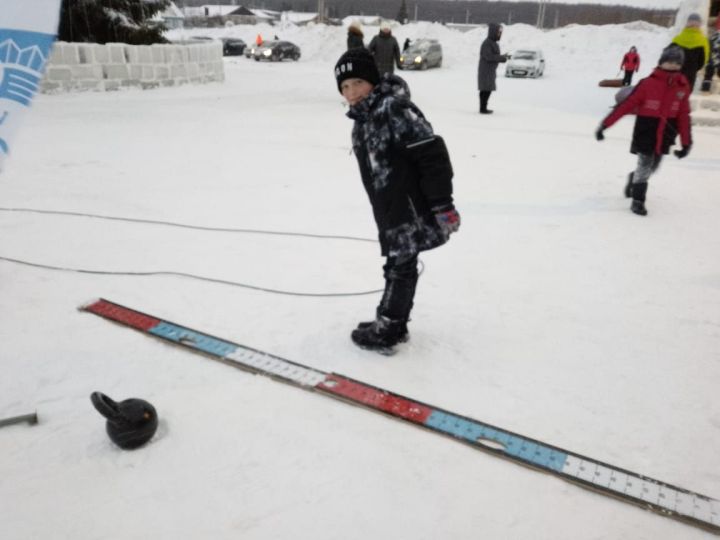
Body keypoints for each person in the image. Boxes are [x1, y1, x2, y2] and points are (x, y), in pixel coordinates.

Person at [333, 48, 460, 352]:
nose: (352, 93)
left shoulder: (393, 109)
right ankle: (394, 322)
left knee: (400, 266)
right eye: (345, 87)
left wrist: (443, 205)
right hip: (391, 207)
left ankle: (388, 326)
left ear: (373, 82)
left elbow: (432, 155)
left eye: (358, 83)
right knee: (398, 262)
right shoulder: (363, 118)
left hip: (410, 207)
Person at [595, 46, 692, 216]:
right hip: (646, 131)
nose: (672, 66)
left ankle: (633, 178)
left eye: (676, 63)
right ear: (661, 63)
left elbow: (684, 116)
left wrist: (686, 143)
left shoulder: (682, 87)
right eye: (669, 62)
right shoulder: (648, 83)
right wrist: (605, 124)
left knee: (654, 166)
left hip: (666, 135)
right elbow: (626, 106)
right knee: (645, 165)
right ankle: (638, 200)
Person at [670, 13, 711, 91]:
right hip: (690, 74)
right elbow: (703, 60)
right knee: (684, 96)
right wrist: (694, 68)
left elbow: (667, 56)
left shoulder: (677, 39)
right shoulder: (703, 41)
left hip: (675, 73)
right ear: (699, 24)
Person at [477, 23, 509, 114]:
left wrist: (503, 56)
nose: (500, 35)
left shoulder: (492, 43)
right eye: (498, 33)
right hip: (485, 71)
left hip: (490, 71)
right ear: (493, 32)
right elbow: (489, 57)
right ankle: (483, 109)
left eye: (500, 33)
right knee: (485, 89)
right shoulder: (487, 43)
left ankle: (483, 108)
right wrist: (502, 58)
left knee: (487, 89)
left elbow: (494, 56)